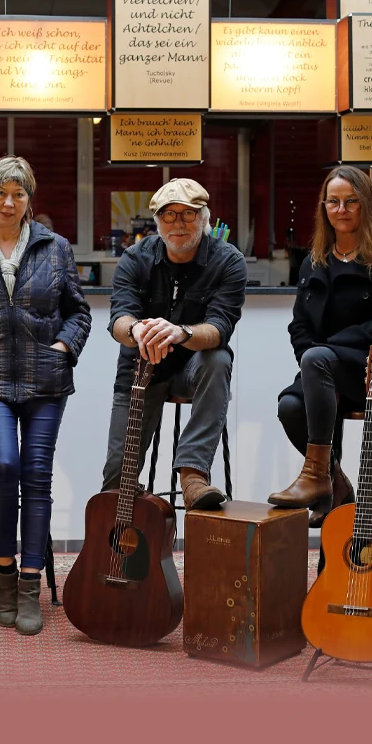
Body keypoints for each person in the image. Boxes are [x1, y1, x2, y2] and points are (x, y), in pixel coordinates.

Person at [0, 156, 91, 636]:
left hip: (45, 377)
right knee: (5, 464)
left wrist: (64, 348)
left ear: (30, 199)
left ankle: (30, 585)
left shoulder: (55, 247)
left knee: (37, 473)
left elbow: (78, 311)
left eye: (19, 193)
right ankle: (4, 576)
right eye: (1, 192)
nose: (9, 202)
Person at [102, 178, 247, 509]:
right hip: (140, 370)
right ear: (157, 222)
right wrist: (138, 330)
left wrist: (181, 332)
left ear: (204, 218)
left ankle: (193, 473)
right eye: (169, 215)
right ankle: (131, 556)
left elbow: (221, 326)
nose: (178, 223)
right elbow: (118, 320)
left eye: (188, 214)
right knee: (114, 483)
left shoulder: (228, 261)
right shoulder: (134, 258)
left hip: (194, 370)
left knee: (218, 358)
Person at [268, 166, 372, 527]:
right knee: (289, 406)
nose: (342, 209)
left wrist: (324, 352)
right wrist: (312, 360)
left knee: (317, 358)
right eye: (333, 201)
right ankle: (334, 481)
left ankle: (316, 478)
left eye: (351, 201)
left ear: (366, 205)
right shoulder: (313, 261)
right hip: (323, 371)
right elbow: (298, 325)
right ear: (324, 207)